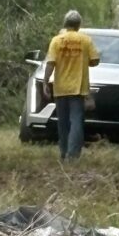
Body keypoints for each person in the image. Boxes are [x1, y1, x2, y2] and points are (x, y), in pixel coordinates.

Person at [42, 10, 100, 160]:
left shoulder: (56, 40)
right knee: (76, 121)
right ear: (79, 24)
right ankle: (73, 155)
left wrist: (45, 81)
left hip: (60, 87)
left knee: (63, 122)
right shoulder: (86, 40)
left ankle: (63, 151)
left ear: (65, 24)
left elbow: (50, 63)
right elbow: (95, 60)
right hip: (78, 88)